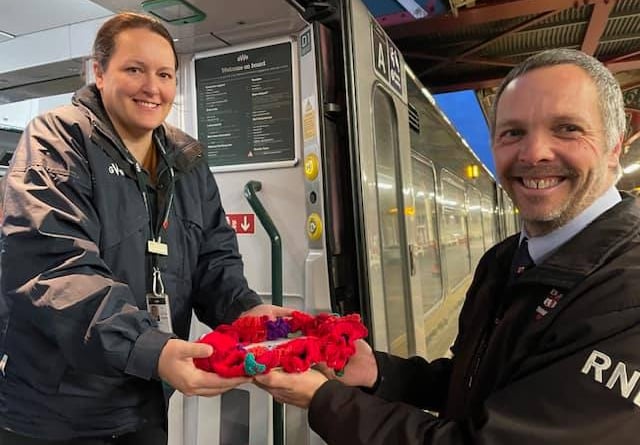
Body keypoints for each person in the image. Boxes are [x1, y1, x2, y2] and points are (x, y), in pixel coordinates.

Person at [255, 48, 640, 443]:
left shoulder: (627, 293)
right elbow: (479, 386)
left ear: (616, 145)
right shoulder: (505, 259)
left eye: (567, 129)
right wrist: (379, 372)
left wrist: (324, 400)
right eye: (513, 132)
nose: (534, 152)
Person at [0, 12, 290, 445]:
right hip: (55, 411)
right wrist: (151, 349)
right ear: (98, 72)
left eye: (164, 73)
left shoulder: (186, 159)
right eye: (134, 69)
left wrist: (248, 312)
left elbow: (214, 257)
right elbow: (58, 270)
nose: (152, 87)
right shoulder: (57, 141)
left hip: (144, 399)